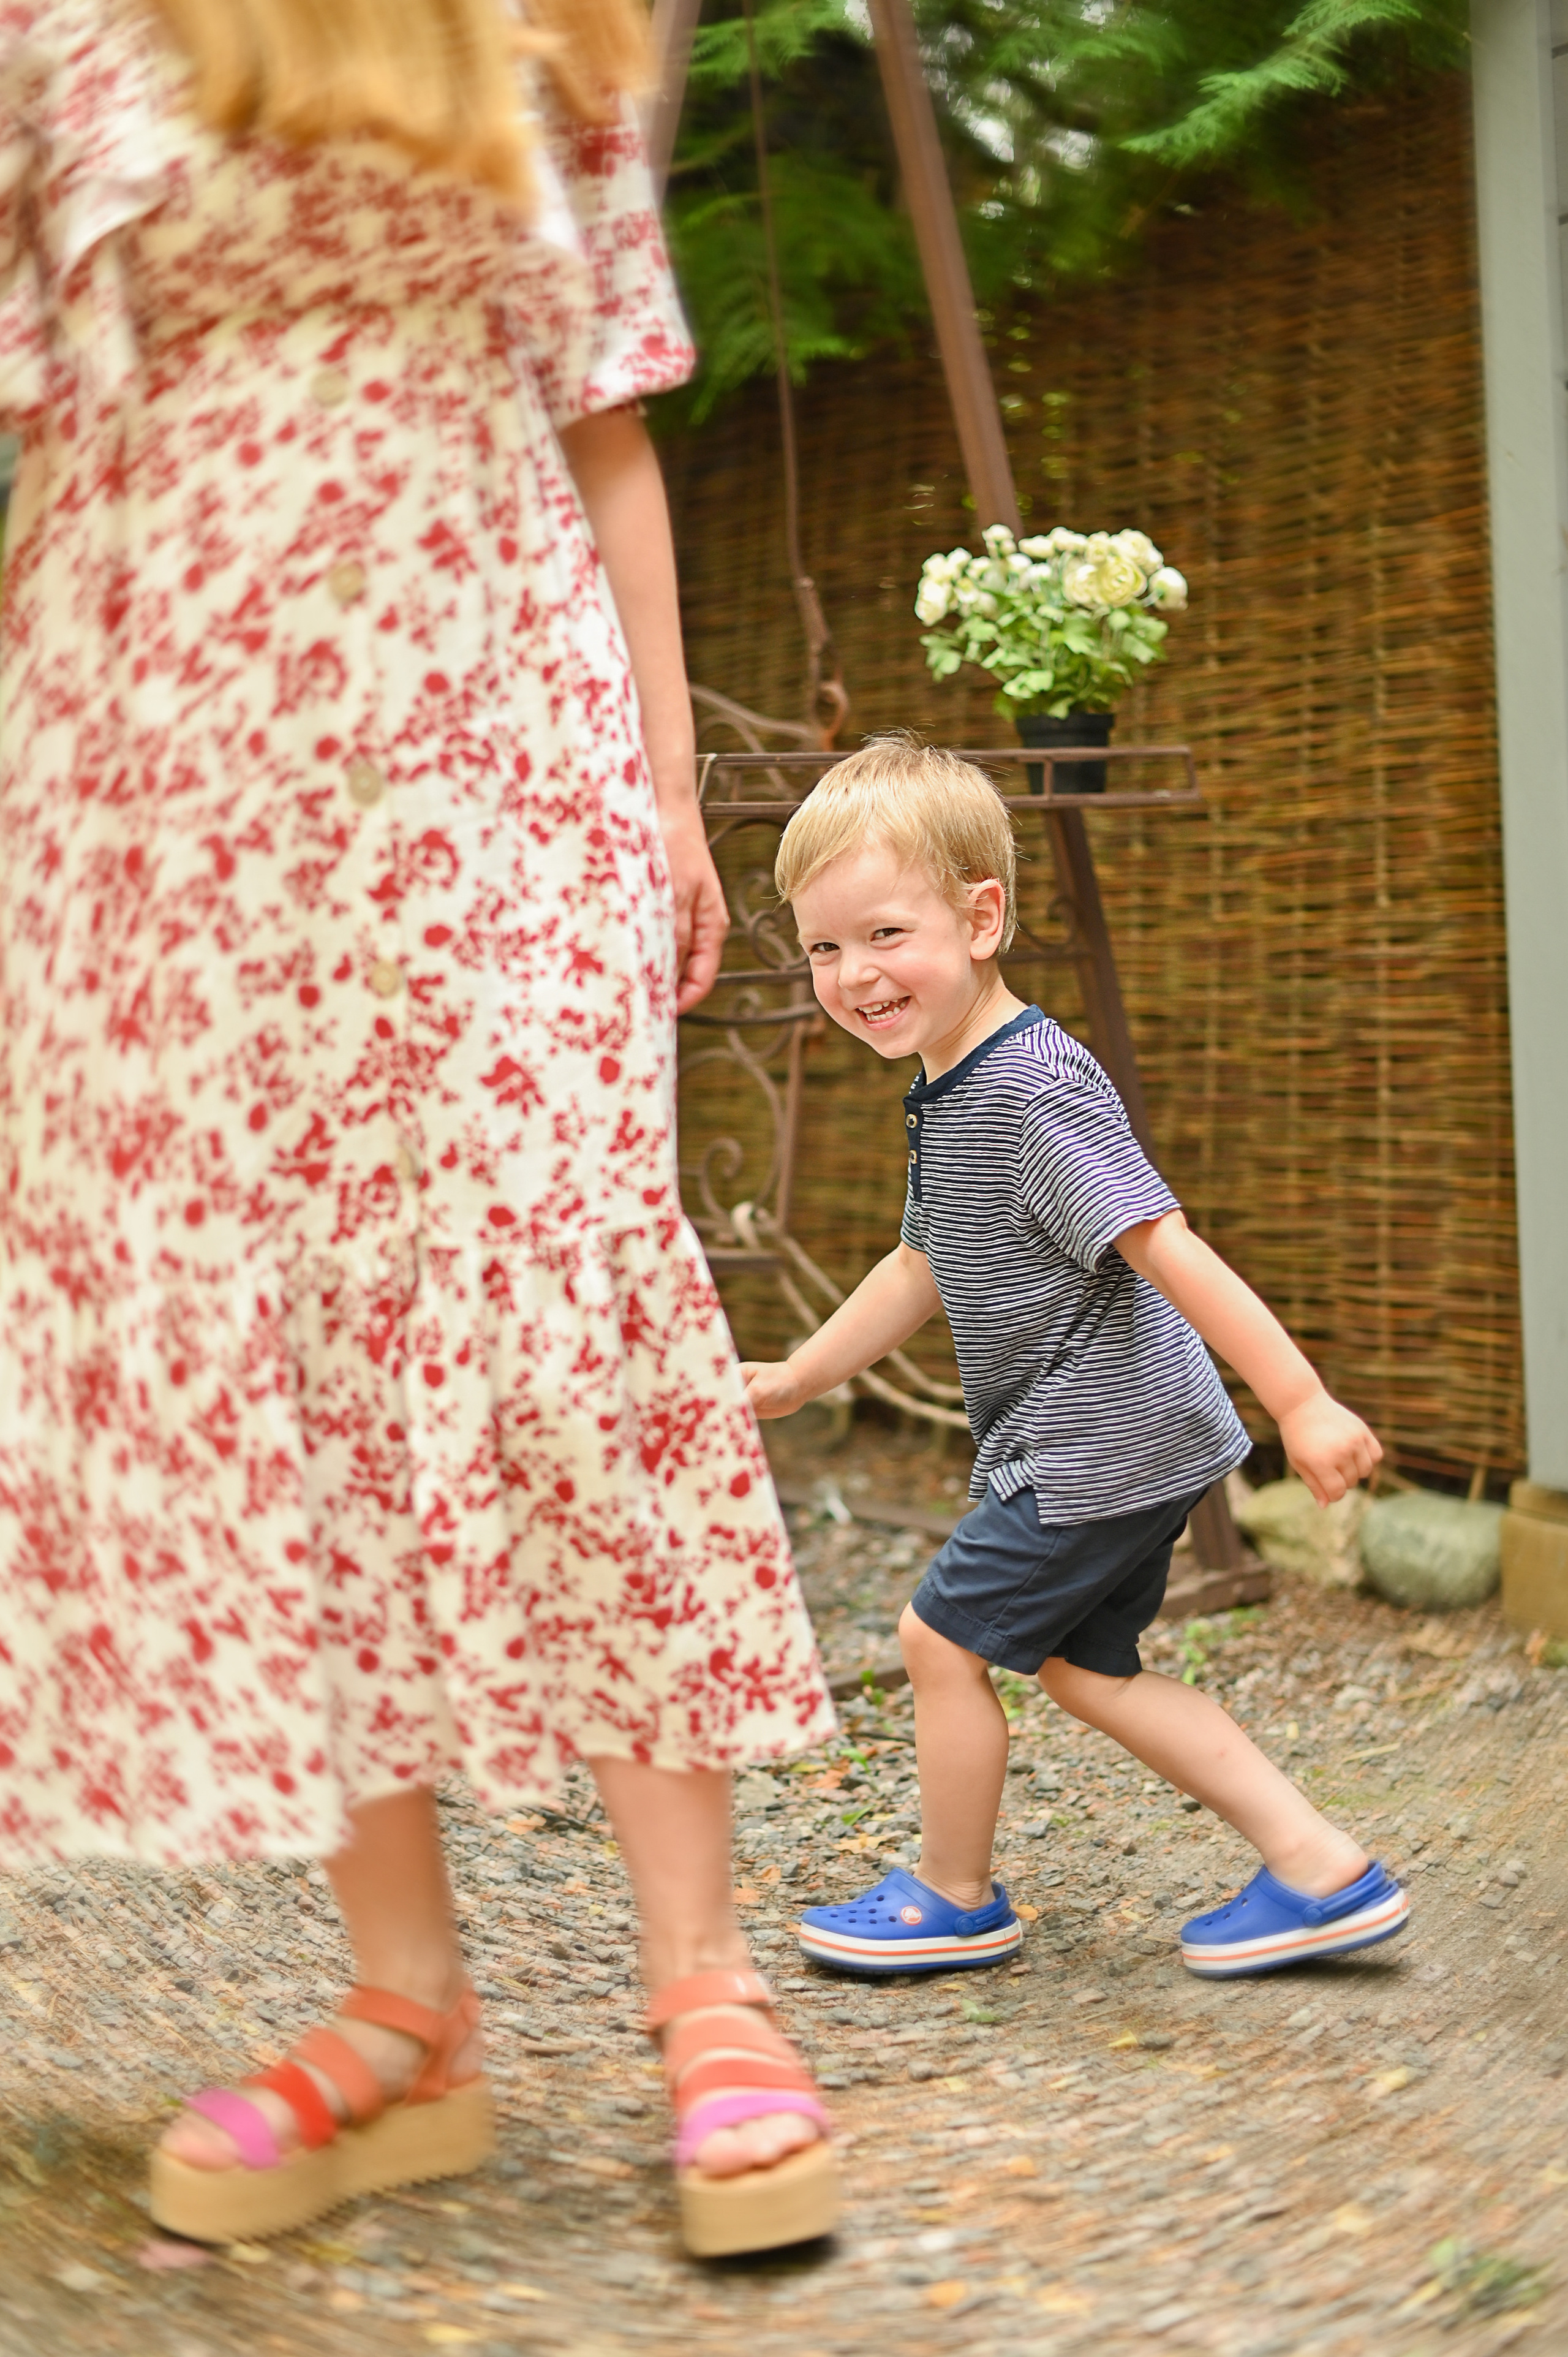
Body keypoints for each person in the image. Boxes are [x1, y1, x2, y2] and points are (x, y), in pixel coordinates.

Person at [0, 0, 837, 2258]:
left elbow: (606, 418)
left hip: (485, 745)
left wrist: (669, 790)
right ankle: (408, 2005)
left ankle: (706, 1979)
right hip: (152, 778)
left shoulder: (545, 11)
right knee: (285, 1345)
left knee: (558, 1293)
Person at [743, 740, 1409, 1983]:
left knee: (938, 1640)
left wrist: (1301, 1399)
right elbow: (922, 1260)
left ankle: (954, 1896)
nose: (854, 974)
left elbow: (1165, 1242)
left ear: (981, 918)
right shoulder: (956, 1081)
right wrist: (795, 1377)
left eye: (884, 934)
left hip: (1095, 1443)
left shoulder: (1027, 1090)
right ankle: (1320, 1869)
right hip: (1124, 1438)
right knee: (1084, 1671)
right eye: (824, 948)